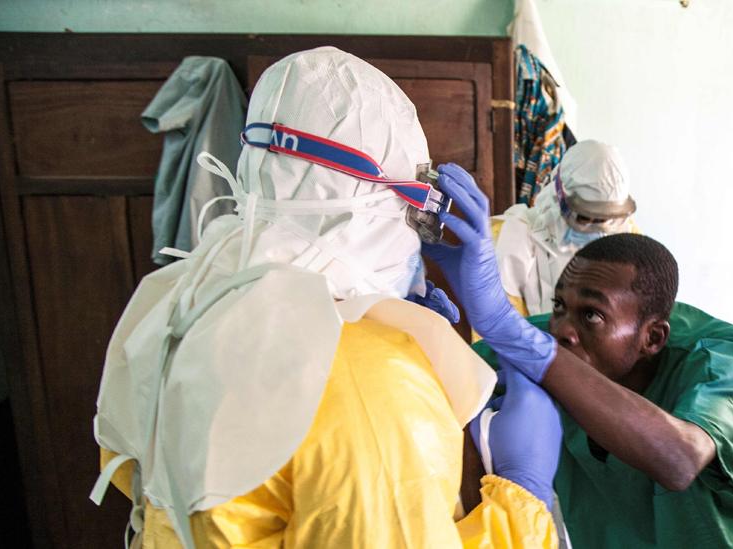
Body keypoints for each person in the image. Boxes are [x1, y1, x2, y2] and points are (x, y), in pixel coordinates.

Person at [91, 47, 560, 549]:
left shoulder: (176, 297)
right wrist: (523, 499)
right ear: (384, 202)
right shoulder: (373, 382)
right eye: (417, 206)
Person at [425, 173, 733, 548]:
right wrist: (425, 330)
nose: (563, 328)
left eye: (592, 315)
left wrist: (507, 328)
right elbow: (453, 374)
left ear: (653, 337)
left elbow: (680, 460)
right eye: (560, 305)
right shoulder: (559, 340)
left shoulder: (717, 356)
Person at [492, 140, 639, 317]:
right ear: (559, 197)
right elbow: (500, 333)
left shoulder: (629, 233)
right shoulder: (513, 241)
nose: (599, 230)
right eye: (586, 217)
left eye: (608, 220)